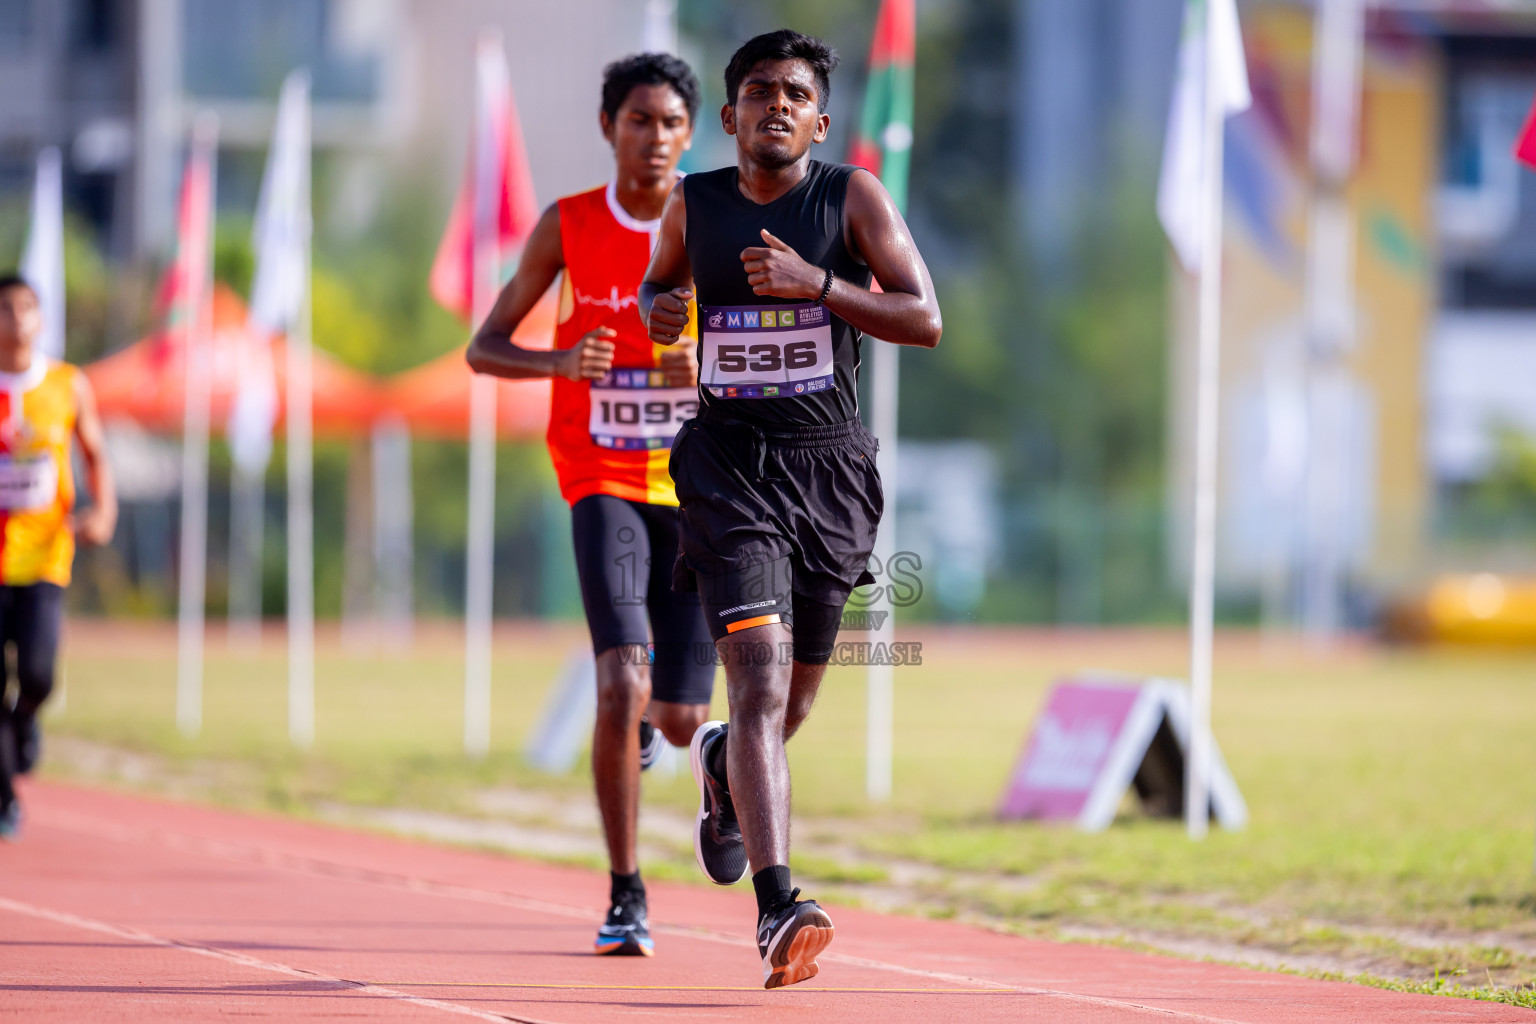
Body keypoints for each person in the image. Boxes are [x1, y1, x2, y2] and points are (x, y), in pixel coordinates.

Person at [639, 29, 942, 989]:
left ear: (819, 117)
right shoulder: (695, 206)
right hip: (730, 471)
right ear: (728, 117)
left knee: (792, 701)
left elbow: (925, 317)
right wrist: (662, 313)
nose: (776, 104)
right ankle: (779, 906)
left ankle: (727, 765)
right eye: (759, 90)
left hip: (833, 472)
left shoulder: (849, 198)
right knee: (761, 686)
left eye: (796, 93)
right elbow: (661, 287)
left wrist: (817, 283)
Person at [466, 53, 715, 959]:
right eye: (638, 120)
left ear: (694, 132)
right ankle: (626, 892)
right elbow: (485, 348)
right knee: (620, 679)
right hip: (600, 478)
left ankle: (661, 731)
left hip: (695, 490)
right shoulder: (568, 225)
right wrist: (559, 363)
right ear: (610, 127)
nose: (654, 139)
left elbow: (774, 343)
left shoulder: (715, 221)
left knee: (681, 719)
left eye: (670, 123)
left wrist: (708, 366)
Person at [0, 274, 117, 840]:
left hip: (47, 555)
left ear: (41, 319)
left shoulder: (67, 385)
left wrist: (105, 509)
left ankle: (25, 721)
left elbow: (95, 453)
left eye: (27, 308)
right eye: (5, 309)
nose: (17, 320)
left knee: (39, 674)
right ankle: (5, 796)